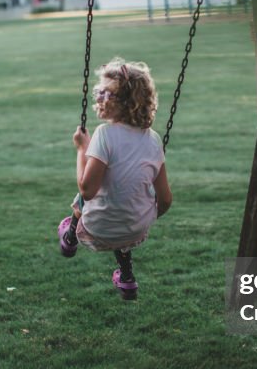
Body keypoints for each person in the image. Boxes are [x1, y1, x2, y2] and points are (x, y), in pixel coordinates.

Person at [58, 59, 172, 299]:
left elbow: (87, 189)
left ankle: (70, 238)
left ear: (127, 103)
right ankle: (127, 277)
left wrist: (82, 149)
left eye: (106, 93)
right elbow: (166, 200)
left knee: (82, 198)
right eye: (98, 91)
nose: (98, 97)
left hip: (96, 228)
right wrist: (143, 217)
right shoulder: (153, 140)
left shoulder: (105, 134)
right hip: (136, 230)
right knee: (124, 201)